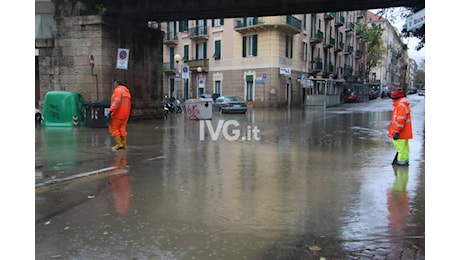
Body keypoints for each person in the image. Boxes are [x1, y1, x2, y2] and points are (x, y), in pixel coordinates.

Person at [388, 89, 412, 166]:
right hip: (404, 133)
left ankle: (401, 165)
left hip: (399, 133)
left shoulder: (400, 106)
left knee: (400, 149)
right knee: (404, 149)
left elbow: (400, 120)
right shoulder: (403, 104)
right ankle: (404, 163)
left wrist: (397, 131)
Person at [109, 80, 131, 150]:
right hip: (125, 114)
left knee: (113, 128)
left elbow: (116, 102)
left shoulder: (118, 90)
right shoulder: (126, 92)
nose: (114, 85)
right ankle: (124, 144)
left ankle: (119, 144)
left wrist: (111, 110)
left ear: (117, 84)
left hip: (118, 114)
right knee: (122, 128)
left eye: (114, 84)